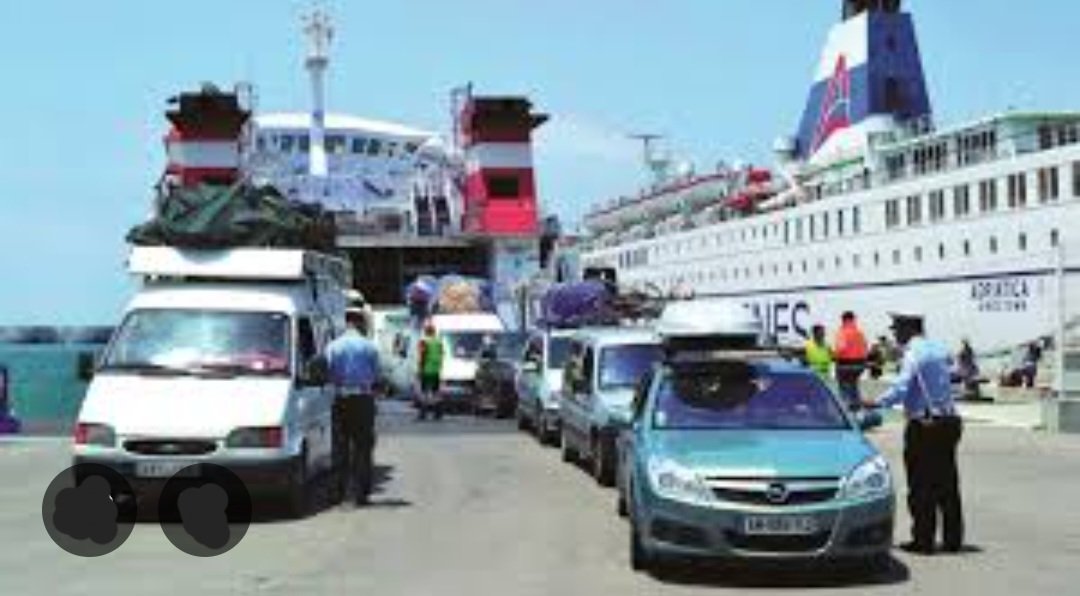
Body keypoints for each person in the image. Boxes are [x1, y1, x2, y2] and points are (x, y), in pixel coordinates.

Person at [863, 314, 964, 555]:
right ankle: (953, 539)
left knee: (921, 484)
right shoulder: (939, 349)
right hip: (949, 420)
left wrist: (876, 402)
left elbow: (902, 387)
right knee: (948, 483)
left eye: (897, 329)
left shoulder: (912, 353)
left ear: (908, 329)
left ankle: (923, 540)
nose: (895, 334)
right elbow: (953, 377)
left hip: (925, 424)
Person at [326, 309, 381, 506]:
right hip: (363, 399)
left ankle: (338, 493)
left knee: (340, 447)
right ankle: (361, 494)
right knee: (363, 448)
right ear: (360, 324)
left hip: (341, 399)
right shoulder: (369, 346)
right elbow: (376, 375)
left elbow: (328, 372)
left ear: (346, 323)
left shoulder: (333, 346)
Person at [833, 311, 869, 410]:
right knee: (854, 384)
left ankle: (844, 408)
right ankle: (856, 405)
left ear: (843, 319)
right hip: (859, 365)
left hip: (845, 364)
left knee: (844, 387)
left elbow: (841, 348)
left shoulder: (842, 332)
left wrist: (835, 356)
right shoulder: (859, 332)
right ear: (853, 319)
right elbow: (866, 348)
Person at [416, 322, 445, 421]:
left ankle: (423, 413)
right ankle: (438, 413)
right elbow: (442, 354)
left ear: (426, 332)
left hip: (426, 370)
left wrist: (420, 369)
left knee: (424, 392)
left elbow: (422, 356)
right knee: (435, 392)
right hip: (436, 370)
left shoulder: (423, 342)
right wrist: (439, 367)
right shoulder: (439, 342)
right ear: (434, 332)